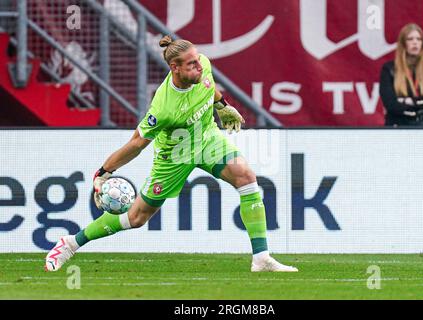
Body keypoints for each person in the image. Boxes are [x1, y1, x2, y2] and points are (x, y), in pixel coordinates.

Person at [44, 35, 298, 273]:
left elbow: (209, 87)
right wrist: (104, 172)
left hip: (207, 139)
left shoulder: (203, 67)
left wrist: (223, 106)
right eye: (191, 64)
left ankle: (261, 257)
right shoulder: (163, 107)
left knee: (245, 176)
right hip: (174, 156)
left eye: (198, 60)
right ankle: (70, 243)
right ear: (174, 68)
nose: (198, 66)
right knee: (136, 217)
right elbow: (136, 144)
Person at [379, 23, 423, 126]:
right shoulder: (389, 69)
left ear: (422, 43)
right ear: (403, 43)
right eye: (410, 39)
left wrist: (408, 101)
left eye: (419, 39)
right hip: (398, 126)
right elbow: (390, 104)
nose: (415, 42)